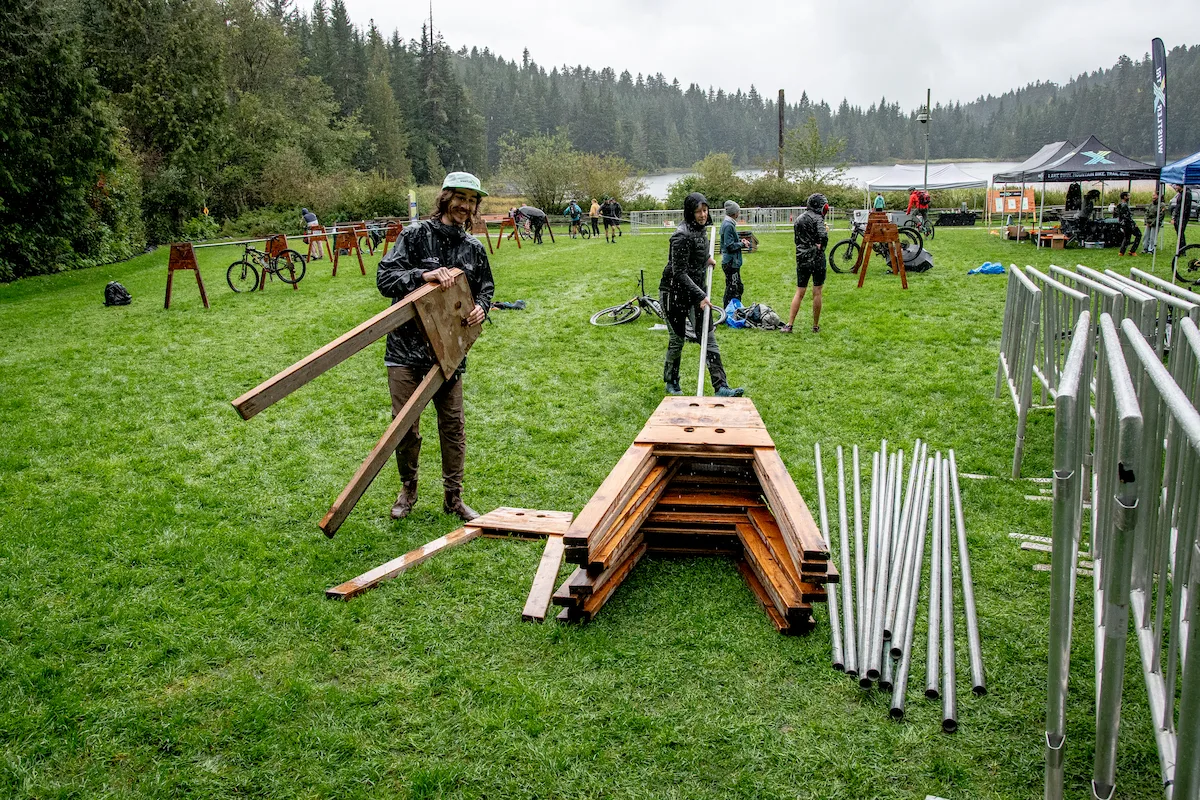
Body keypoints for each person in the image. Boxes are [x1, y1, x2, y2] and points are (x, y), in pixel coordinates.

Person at [376, 171, 494, 522]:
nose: (466, 206)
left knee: (453, 425)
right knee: (405, 427)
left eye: (472, 201)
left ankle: (453, 498)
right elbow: (384, 279)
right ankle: (408, 490)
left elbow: (486, 288)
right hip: (405, 352)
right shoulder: (414, 236)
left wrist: (481, 309)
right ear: (445, 198)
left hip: (449, 353)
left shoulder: (473, 247)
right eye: (461, 198)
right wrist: (421, 276)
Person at [659, 192, 744, 398]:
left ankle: (721, 386)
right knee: (677, 339)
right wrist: (700, 295)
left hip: (694, 293)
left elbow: (696, 253)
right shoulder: (680, 235)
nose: (702, 215)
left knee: (708, 337)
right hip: (674, 294)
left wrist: (706, 258)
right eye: (698, 211)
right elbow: (679, 272)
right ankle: (672, 380)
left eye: (705, 210)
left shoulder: (700, 230)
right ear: (690, 212)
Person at [784, 193, 829, 334]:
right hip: (817, 258)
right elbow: (823, 236)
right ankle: (815, 325)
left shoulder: (799, 219)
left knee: (800, 291)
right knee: (817, 291)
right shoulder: (818, 219)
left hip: (802, 257)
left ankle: (790, 324)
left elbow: (797, 239)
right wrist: (820, 246)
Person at [719, 200, 744, 309]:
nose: (739, 213)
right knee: (733, 288)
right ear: (734, 213)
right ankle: (731, 311)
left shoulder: (728, 224)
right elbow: (729, 246)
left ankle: (733, 309)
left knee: (737, 287)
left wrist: (740, 242)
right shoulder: (728, 225)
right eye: (738, 211)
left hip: (731, 262)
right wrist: (742, 244)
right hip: (731, 263)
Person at [1116, 191, 1141, 256]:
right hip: (1128, 224)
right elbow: (1127, 216)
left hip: (1123, 224)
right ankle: (1132, 251)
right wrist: (1134, 224)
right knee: (1138, 235)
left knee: (1127, 237)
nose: (1129, 197)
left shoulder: (1119, 204)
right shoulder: (1124, 205)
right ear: (1125, 197)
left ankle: (1122, 252)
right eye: (1128, 196)